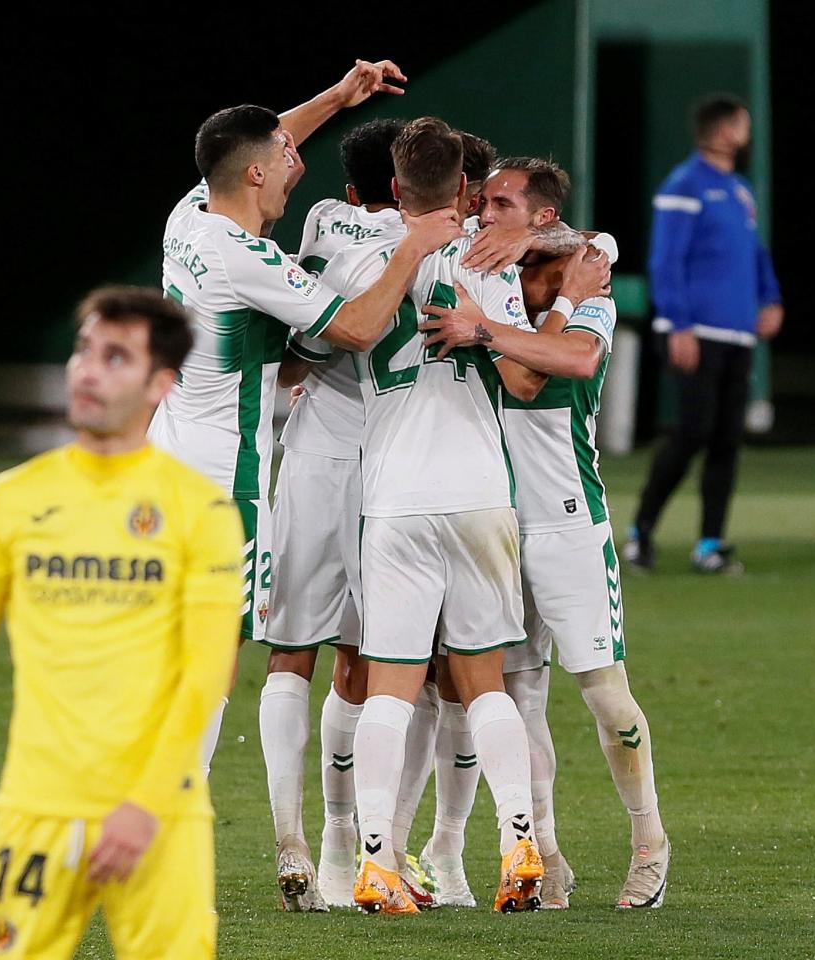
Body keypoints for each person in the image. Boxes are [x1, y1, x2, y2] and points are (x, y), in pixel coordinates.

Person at [0, 288, 239, 959]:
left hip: (159, 819)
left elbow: (206, 671)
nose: (87, 370)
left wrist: (145, 804)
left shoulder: (199, 510)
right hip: (35, 810)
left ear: (161, 383)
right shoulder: (13, 498)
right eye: (83, 351)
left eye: (115, 357)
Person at [153, 60, 468, 793]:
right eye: (285, 161)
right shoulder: (247, 257)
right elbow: (357, 326)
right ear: (258, 175)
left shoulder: (189, 216)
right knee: (209, 656)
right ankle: (173, 806)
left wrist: (335, 96)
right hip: (219, 486)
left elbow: (257, 146)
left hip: (160, 461)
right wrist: (413, 246)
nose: (297, 165)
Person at [420, 157, 670, 909]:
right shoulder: (483, 258)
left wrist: (487, 326)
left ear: (540, 216)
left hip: (567, 524)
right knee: (518, 700)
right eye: (482, 200)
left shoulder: (583, 281)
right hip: (493, 521)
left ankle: (650, 844)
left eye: (501, 203)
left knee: (605, 699)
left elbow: (574, 356)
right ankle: (547, 858)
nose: (483, 212)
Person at [318, 117, 546, 914]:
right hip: (481, 491)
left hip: (395, 496)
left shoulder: (363, 252)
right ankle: (518, 841)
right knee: (485, 686)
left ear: (391, 188)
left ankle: (375, 860)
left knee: (390, 685)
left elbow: (334, 336)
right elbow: (525, 384)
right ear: (463, 188)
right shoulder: (491, 255)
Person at [260, 116, 404, 911]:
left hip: (313, 451)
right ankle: (349, 850)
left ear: (351, 188)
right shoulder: (440, 238)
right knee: (368, 660)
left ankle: (292, 840)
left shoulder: (322, 219)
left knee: (290, 651)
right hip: (391, 460)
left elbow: (298, 349)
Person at [627, 94, 783, 574]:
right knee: (692, 432)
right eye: (741, 123)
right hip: (696, 331)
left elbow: (754, 253)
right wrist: (677, 323)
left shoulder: (739, 190)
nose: (747, 131)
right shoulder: (685, 184)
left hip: (737, 335)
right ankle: (640, 532)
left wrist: (770, 297)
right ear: (721, 130)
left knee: (726, 440)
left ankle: (710, 545)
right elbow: (665, 260)